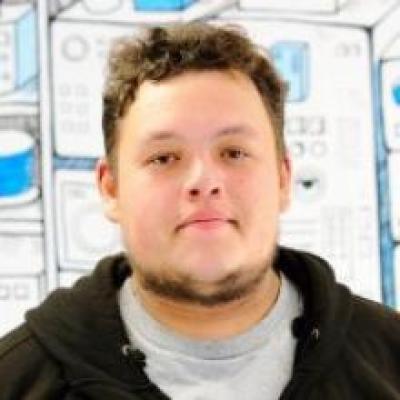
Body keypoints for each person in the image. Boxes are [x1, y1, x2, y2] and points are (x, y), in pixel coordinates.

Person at [0, 23, 399, 400]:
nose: (204, 181)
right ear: (111, 188)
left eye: (234, 152)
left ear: (282, 179)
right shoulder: (14, 380)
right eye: (164, 158)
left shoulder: (390, 360)